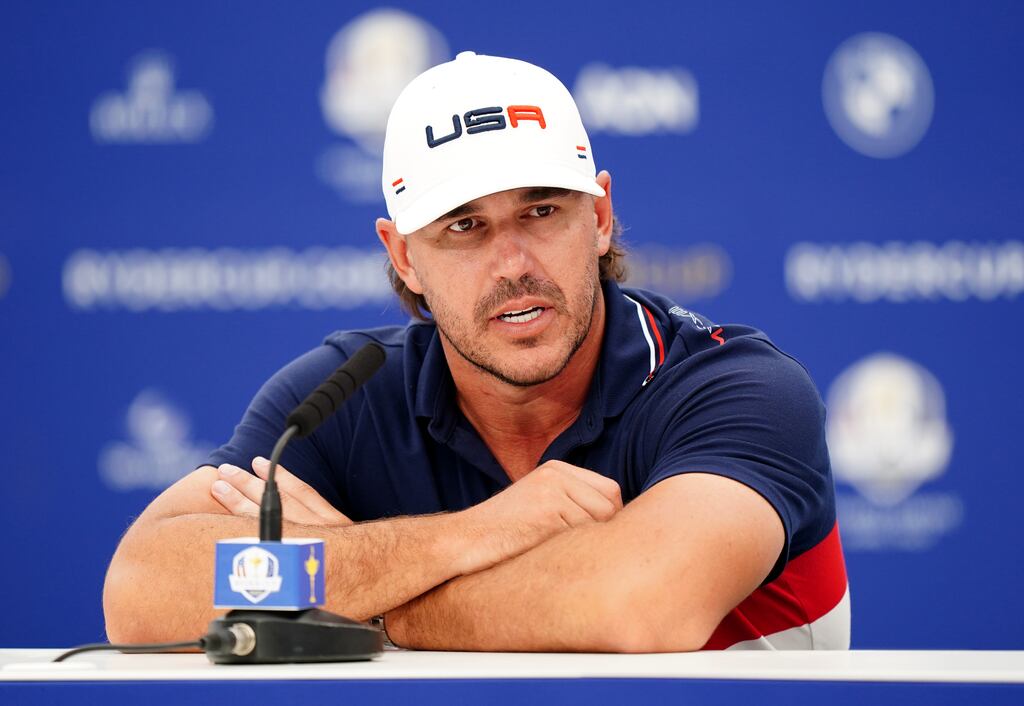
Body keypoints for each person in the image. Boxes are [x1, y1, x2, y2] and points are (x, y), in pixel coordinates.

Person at [103, 52, 849, 652]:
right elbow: (141, 589)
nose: (512, 262)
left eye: (542, 210)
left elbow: (636, 608)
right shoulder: (343, 394)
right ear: (402, 257)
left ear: (601, 216)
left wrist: (362, 597)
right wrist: (479, 532)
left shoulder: (737, 387)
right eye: (464, 227)